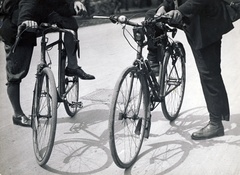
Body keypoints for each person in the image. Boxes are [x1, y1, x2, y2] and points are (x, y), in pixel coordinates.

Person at [145, 0, 234, 140]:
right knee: (151, 16)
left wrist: (179, 11)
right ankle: (154, 60)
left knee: (209, 73)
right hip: (190, 14)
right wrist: (163, 7)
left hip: (206, 20)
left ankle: (216, 123)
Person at [0, 0, 95, 127]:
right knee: (16, 73)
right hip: (17, 23)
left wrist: (74, 3)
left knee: (69, 23)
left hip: (40, 14)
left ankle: (72, 66)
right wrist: (26, 19)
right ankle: (17, 115)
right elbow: (27, 3)